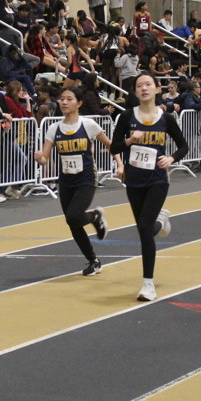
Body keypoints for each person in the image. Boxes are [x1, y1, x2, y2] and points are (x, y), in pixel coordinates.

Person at [111, 74, 188, 300]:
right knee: (144, 229)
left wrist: (171, 158)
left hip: (157, 180)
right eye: (139, 85)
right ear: (135, 92)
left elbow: (183, 146)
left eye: (148, 84)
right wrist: (129, 141)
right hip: (134, 180)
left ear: (156, 89)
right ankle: (160, 221)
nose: (144, 88)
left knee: (145, 228)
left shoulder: (166, 118)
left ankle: (148, 284)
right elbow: (114, 147)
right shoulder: (127, 117)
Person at [33, 86, 115, 276]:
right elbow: (45, 158)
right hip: (66, 181)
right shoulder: (54, 128)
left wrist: (120, 164)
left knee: (73, 216)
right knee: (73, 223)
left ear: (79, 103)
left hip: (86, 178)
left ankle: (95, 216)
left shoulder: (89, 125)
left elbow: (110, 145)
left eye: (69, 99)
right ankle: (94, 260)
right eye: (62, 99)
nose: (64, 102)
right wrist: (39, 158)